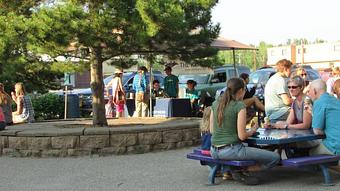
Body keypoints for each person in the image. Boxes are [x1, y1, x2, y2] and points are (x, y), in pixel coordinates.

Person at [210, 78, 280, 185]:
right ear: (241, 91)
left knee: (251, 152)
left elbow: (211, 130)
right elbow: (242, 136)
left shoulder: (215, 103)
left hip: (214, 151)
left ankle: (238, 171)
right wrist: (253, 130)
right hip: (232, 150)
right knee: (275, 158)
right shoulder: (239, 106)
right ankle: (245, 170)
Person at [305, 79, 340, 156]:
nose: (308, 94)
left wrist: (328, 131)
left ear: (314, 91)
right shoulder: (335, 100)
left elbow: (317, 131)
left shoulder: (319, 102)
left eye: (309, 91)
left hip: (335, 146)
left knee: (310, 153)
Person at [264, 59, 293, 123]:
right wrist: (297, 99)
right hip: (278, 113)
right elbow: (287, 101)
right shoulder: (280, 80)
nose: (291, 72)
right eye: (291, 69)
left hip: (271, 113)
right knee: (303, 112)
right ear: (286, 69)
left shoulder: (273, 78)